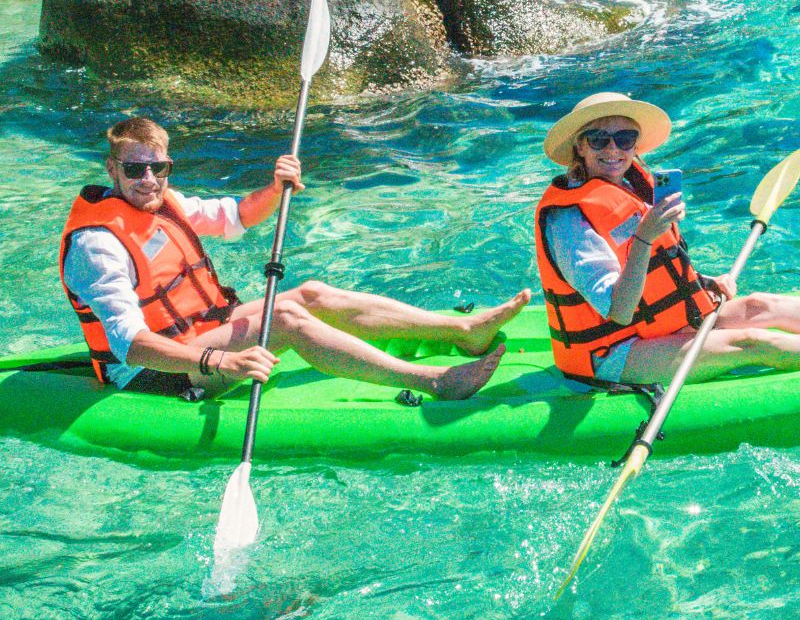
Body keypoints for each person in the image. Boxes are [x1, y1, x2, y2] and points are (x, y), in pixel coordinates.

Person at [61, 117, 530, 400]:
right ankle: (433, 380)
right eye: (134, 169)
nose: (148, 179)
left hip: (199, 333)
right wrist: (218, 363)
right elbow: (130, 346)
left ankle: (463, 331)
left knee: (310, 294)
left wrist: (275, 186)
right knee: (283, 317)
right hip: (154, 373)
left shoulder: (167, 202)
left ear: (167, 166)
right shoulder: (97, 245)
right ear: (112, 169)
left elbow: (238, 215)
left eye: (157, 167)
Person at [534, 91, 800, 388]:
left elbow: (655, 272)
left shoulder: (629, 187)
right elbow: (618, 311)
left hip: (657, 325)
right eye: (598, 138)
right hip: (611, 352)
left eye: (625, 138)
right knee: (750, 342)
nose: (613, 149)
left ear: (634, 145)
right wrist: (645, 239)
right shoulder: (569, 220)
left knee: (761, 305)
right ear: (581, 146)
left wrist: (705, 281)